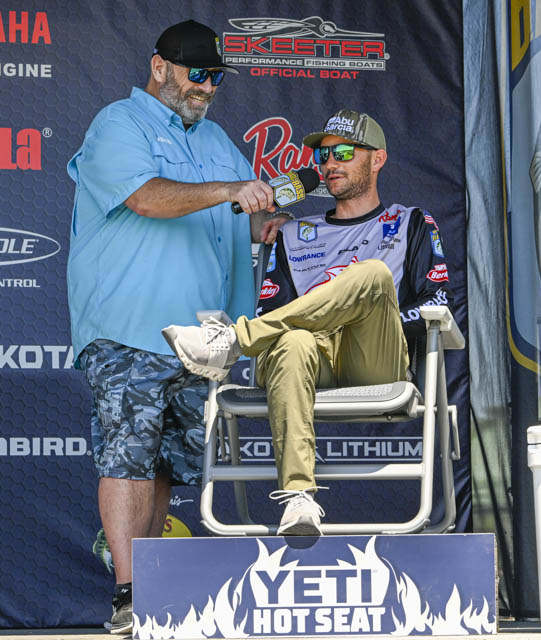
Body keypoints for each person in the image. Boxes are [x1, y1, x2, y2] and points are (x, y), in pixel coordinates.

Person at [66, 20, 287, 634]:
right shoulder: (119, 123)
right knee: (127, 456)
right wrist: (231, 190)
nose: (208, 86)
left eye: (216, 77)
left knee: (163, 463)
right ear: (160, 66)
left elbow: (236, 213)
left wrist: (262, 223)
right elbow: (147, 197)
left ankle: (150, 588)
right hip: (128, 327)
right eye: (198, 73)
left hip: (203, 338)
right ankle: (127, 595)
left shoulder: (216, 137)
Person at [162, 109, 451, 536]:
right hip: (307, 359)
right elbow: (272, 318)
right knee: (293, 342)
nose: (330, 163)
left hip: (374, 356)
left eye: (344, 153)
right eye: (323, 155)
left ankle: (232, 342)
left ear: (377, 159)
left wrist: (378, 309)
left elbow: (437, 302)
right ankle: (298, 499)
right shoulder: (293, 234)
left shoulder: (410, 222)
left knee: (372, 275)